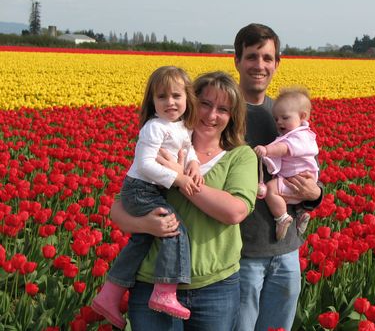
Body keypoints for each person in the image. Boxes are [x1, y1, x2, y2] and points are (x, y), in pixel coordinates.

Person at [109, 71, 257, 330]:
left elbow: (234, 212)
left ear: (232, 116)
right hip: (152, 282)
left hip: (215, 287)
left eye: (223, 109)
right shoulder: (161, 146)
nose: (211, 115)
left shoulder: (241, 156)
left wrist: (180, 178)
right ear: (190, 101)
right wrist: (148, 226)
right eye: (205, 104)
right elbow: (118, 210)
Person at [92, 66, 203, 328]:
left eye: (176, 95)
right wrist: (178, 179)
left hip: (152, 189)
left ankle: (109, 294)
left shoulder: (182, 127)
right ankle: (164, 291)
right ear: (152, 101)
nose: (170, 102)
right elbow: (144, 165)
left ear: (188, 98)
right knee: (173, 228)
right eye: (162, 96)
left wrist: (194, 165)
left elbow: (189, 152)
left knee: (142, 240)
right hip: (140, 189)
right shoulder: (155, 127)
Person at [234, 23, 323, 331]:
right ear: (238, 61)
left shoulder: (285, 113)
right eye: (252, 56)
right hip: (242, 254)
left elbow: (307, 166)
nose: (260, 65)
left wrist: (315, 195)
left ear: (277, 63)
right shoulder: (223, 113)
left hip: (286, 253)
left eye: (267, 58)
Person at [254, 87, 319, 241]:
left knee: (271, 189)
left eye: (285, 118)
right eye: (276, 119)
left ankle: (282, 217)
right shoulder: (299, 134)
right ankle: (300, 213)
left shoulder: (298, 137)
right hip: (298, 180)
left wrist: (266, 149)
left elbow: (284, 149)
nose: (279, 122)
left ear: (302, 116)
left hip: (296, 178)